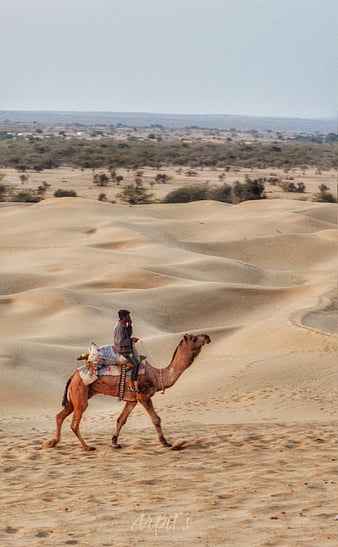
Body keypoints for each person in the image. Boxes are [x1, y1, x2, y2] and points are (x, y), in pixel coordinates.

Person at [113, 309, 140, 393]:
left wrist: (130, 326)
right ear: (124, 317)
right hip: (124, 351)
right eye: (128, 316)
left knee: (137, 360)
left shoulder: (124, 326)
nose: (129, 318)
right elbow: (119, 342)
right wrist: (131, 340)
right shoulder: (119, 328)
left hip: (128, 350)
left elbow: (127, 335)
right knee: (135, 364)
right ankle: (131, 384)